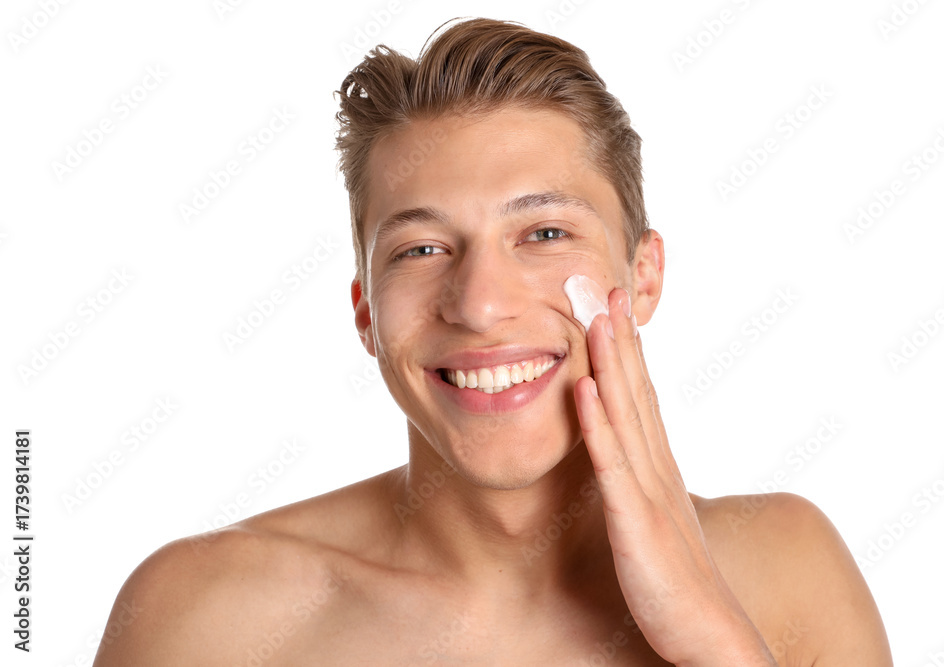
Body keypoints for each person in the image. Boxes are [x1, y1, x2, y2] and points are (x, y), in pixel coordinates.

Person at [95, 18, 892, 665]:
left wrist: (717, 637)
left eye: (544, 232)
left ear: (644, 276)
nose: (479, 305)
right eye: (421, 248)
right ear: (366, 312)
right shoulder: (202, 618)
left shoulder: (788, 576)